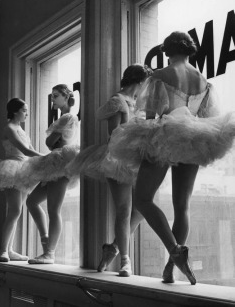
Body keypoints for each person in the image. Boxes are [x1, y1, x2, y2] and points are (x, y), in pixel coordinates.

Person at [108, 31, 235, 284]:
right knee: (182, 206)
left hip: (165, 136)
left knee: (143, 199)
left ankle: (175, 252)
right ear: (189, 50)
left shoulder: (161, 75)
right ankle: (170, 269)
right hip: (195, 138)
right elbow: (206, 116)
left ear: (167, 51)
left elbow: (153, 115)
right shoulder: (203, 81)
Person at [67, 64, 151, 276]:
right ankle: (125, 260)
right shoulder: (118, 101)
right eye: (145, 84)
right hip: (118, 158)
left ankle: (112, 248)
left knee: (142, 209)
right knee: (123, 209)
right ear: (139, 82)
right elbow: (115, 135)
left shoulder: (137, 102)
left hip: (136, 158)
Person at [0, 98, 43, 262]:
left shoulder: (21, 129)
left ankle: (9, 249)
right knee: (14, 210)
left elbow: (30, 150)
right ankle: (3, 250)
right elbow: (24, 150)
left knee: (16, 210)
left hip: (24, 169)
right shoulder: (9, 128)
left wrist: (43, 158)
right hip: (13, 169)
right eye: (24, 110)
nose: (26, 113)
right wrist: (47, 157)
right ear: (16, 111)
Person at [27, 84, 79, 264]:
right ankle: (45, 239)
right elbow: (50, 142)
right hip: (54, 164)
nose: (52, 100)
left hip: (60, 164)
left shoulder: (68, 117)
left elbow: (50, 142)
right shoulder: (63, 118)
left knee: (53, 209)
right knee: (31, 201)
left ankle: (50, 253)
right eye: (51, 96)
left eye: (55, 96)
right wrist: (51, 141)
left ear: (65, 97)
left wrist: (51, 141)